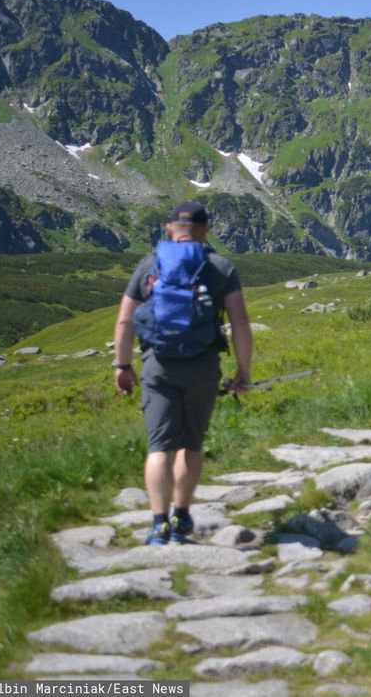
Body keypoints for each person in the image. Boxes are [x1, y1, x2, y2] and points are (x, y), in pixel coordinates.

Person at [112, 201, 253, 546]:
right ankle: (182, 514)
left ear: (169, 228)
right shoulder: (219, 267)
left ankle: (158, 524)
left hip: (158, 365)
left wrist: (123, 365)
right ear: (205, 230)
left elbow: (125, 320)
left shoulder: (150, 265)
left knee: (159, 446)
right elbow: (239, 324)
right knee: (190, 444)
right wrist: (243, 371)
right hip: (203, 367)